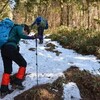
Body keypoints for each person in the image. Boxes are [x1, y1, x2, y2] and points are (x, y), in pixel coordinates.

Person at [0, 24, 36, 95]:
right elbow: (21, 35)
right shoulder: (19, 27)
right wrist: (31, 37)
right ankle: (17, 82)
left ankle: (4, 90)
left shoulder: (12, 30)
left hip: (4, 49)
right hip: (10, 48)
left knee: (8, 70)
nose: (25, 34)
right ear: (25, 29)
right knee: (23, 63)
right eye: (26, 32)